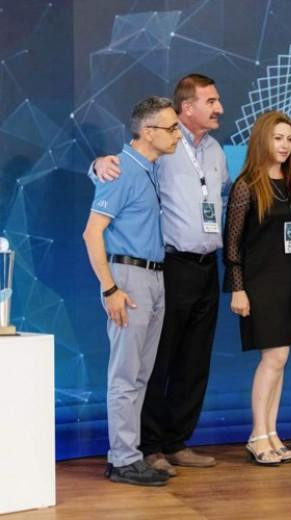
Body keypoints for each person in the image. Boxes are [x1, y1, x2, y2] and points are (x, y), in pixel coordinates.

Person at [92, 74, 229, 475]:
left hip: (203, 265)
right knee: (143, 369)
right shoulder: (155, 155)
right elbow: (112, 183)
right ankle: (140, 450)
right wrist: (96, 166)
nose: (219, 108)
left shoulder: (215, 151)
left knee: (189, 362)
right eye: (211, 101)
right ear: (186, 108)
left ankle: (173, 442)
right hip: (164, 265)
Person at [83, 96, 181, 486]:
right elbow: (92, 233)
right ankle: (122, 458)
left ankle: (129, 454)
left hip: (154, 277)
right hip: (129, 278)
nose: (177, 135)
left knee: (140, 374)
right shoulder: (122, 170)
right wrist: (110, 289)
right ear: (148, 131)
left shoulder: (149, 169)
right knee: (125, 374)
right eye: (172, 128)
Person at [223, 111, 291, 465]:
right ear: (262, 140)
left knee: (281, 360)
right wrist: (238, 289)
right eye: (277, 138)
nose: (284, 145)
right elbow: (233, 244)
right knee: (274, 358)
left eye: (289, 139)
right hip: (261, 284)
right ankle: (257, 434)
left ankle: (271, 431)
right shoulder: (246, 186)